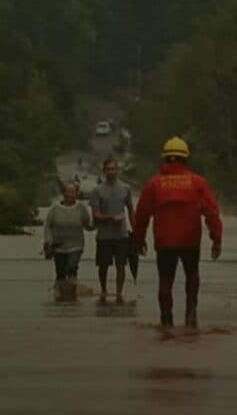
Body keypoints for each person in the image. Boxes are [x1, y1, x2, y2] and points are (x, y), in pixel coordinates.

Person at [132, 136, 223, 328]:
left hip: (164, 241)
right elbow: (212, 212)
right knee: (192, 275)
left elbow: (141, 216)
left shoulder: (154, 184)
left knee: (165, 281)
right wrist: (216, 239)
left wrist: (138, 240)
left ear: (165, 158)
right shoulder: (198, 183)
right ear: (186, 159)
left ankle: (166, 321)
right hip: (190, 240)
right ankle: (191, 315)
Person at [90, 158, 134, 303]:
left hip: (121, 234)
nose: (111, 172)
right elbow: (95, 215)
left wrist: (137, 231)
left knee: (121, 265)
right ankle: (103, 290)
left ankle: (119, 293)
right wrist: (110, 218)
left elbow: (131, 211)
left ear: (117, 171)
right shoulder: (97, 190)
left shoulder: (125, 188)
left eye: (114, 169)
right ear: (104, 171)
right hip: (104, 235)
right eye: (108, 169)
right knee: (103, 266)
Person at [43, 182, 94, 292]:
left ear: (77, 193)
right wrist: (48, 241)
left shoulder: (81, 208)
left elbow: (87, 224)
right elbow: (48, 225)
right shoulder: (55, 208)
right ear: (64, 193)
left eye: (73, 192)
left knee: (72, 267)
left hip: (76, 245)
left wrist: (98, 224)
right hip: (58, 246)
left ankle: (72, 294)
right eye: (68, 192)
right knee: (60, 273)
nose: (71, 195)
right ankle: (60, 298)